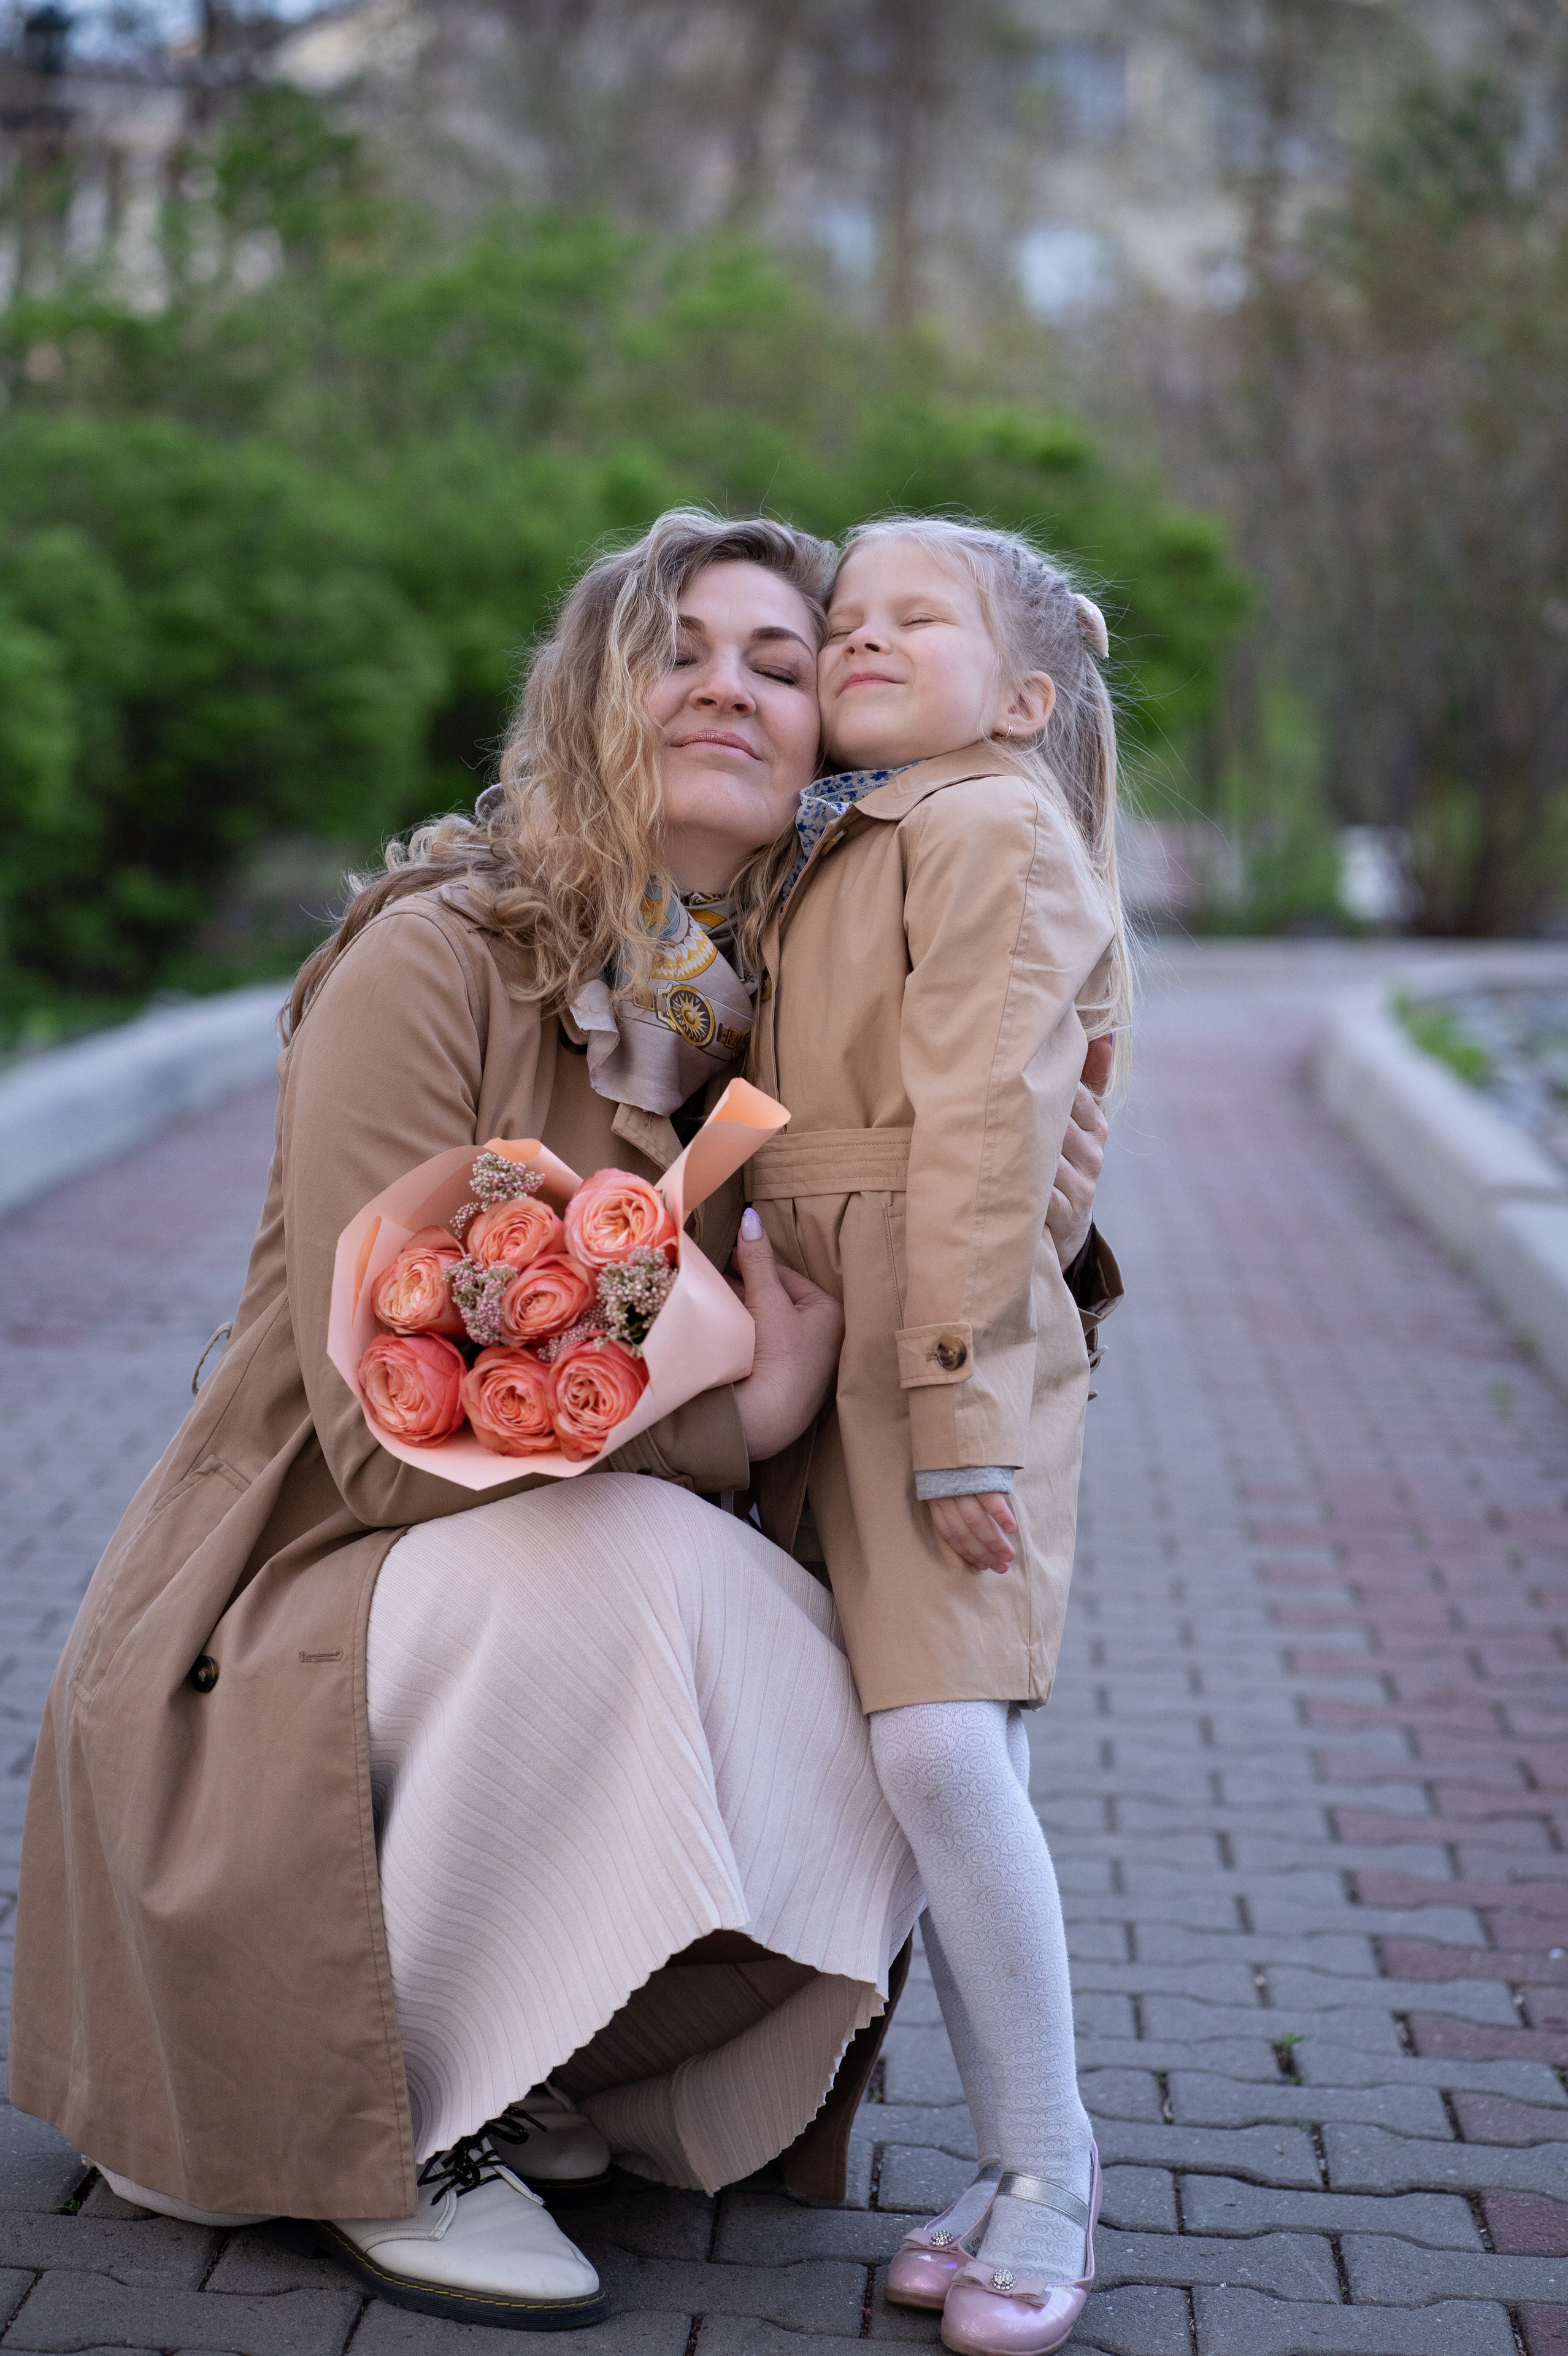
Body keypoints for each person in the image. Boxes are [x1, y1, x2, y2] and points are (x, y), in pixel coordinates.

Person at [7, 511, 1115, 2333]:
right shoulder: (431, 961)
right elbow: (384, 1452)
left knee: (885, 1723)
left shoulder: (763, 1035)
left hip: (509, 1590)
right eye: (684, 649)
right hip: (284, 1613)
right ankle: (369, 2125)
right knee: (629, 1560)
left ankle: (542, 2063)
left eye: (783, 661)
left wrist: (1042, 1240)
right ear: (595, 697)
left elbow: (897, 1326)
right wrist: (732, 1415)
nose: (736, 689)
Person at [744, 517, 1127, 2355]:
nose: (863, 638)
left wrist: (961, 1411)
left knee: (943, 1750)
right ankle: (1005, 2156)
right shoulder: (865, 832)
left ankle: (1053, 2167)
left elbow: (986, 1129)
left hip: (933, 1333)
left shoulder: (984, 830)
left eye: (919, 619)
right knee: (939, 1753)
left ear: (1025, 694)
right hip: (845, 1302)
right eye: (847, 620)